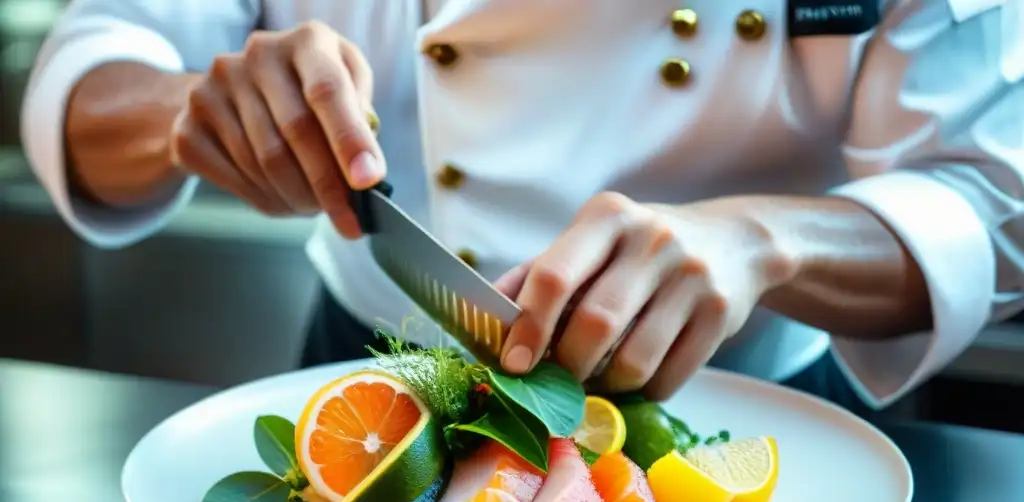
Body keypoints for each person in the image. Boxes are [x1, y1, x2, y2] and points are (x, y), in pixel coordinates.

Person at [22, 0, 1024, 417]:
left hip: (759, 414)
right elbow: (99, 52)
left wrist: (765, 243)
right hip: (371, 377)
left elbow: (991, 199)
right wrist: (184, 115)